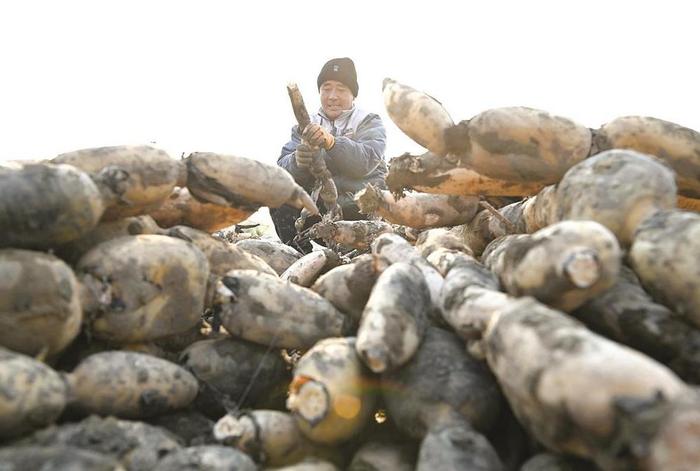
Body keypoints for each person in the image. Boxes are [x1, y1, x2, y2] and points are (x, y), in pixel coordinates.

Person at [270, 57, 388, 253]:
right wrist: (297, 161)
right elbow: (281, 170)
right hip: (319, 213)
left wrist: (332, 142)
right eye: (326, 88)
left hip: (358, 209)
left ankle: (360, 251)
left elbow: (366, 161)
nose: (332, 96)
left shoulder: (369, 121)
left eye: (341, 89)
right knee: (278, 193)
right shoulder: (304, 127)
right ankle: (299, 255)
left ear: (353, 94)